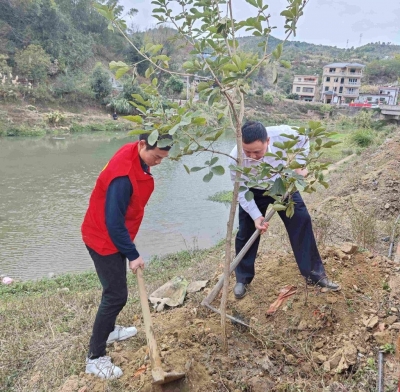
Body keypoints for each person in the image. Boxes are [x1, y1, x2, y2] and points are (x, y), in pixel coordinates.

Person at [81, 133, 171, 379]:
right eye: (156, 157)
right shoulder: (122, 176)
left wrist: (127, 247)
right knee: (115, 295)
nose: (158, 162)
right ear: (142, 145)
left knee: (115, 292)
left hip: (112, 235)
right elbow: (113, 222)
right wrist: (133, 254)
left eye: (163, 158)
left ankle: (109, 330)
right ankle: (95, 357)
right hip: (102, 238)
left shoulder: (136, 152)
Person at [228, 121, 340, 299]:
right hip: (252, 188)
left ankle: (315, 275)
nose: (252, 156)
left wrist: (300, 165)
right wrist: (257, 216)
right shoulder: (235, 156)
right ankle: (243, 279)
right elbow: (240, 189)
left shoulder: (284, 134)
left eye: (257, 151)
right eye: (247, 152)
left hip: (282, 184)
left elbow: (305, 136)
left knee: (301, 221)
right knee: (246, 232)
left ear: (268, 141)